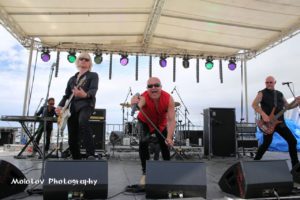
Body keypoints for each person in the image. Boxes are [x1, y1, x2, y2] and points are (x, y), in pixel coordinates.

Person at [56, 52, 99, 160]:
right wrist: (60, 106)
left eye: (86, 59)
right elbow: (66, 95)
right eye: (81, 59)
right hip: (72, 107)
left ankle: (91, 154)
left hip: (86, 104)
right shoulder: (72, 79)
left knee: (83, 121)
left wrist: (85, 94)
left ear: (90, 64)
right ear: (77, 62)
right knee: (72, 133)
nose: (83, 61)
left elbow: (93, 89)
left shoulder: (92, 75)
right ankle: (76, 157)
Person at [252, 76, 300, 167]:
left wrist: (296, 103)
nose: (269, 84)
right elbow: (254, 105)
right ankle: (255, 161)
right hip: (268, 124)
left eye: (271, 82)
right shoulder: (261, 93)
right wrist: (263, 114)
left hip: (280, 123)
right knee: (266, 144)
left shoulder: (280, 94)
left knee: (292, 141)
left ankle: (295, 165)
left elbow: (287, 107)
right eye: (267, 82)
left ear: (275, 82)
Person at [131, 77, 176, 175]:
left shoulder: (168, 98)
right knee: (143, 142)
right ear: (147, 88)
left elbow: (171, 120)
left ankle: (167, 167)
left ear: (161, 87)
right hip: (145, 122)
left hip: (161, 124)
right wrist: (134, 102)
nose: (153, 88)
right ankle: (145, 170)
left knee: (165, 143)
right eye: (150, 86)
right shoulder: (144, 96)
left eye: (156, 85)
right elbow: (140, 102)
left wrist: (169, 137)